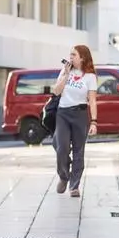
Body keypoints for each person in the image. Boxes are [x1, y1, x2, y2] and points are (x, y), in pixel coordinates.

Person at [52, 45, 98, 198]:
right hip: (63, 113)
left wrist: (94, 122)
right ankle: (64, 176)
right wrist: (65, 74)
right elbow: (56, 91)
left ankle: (74, 186)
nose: (70, 57)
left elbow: (92, 101)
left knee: (79, 151)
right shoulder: (65, 71)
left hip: (80, 114)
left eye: (74, 55)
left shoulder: (90, 77)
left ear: (82, 58)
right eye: (70, 54)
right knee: (61, 147)